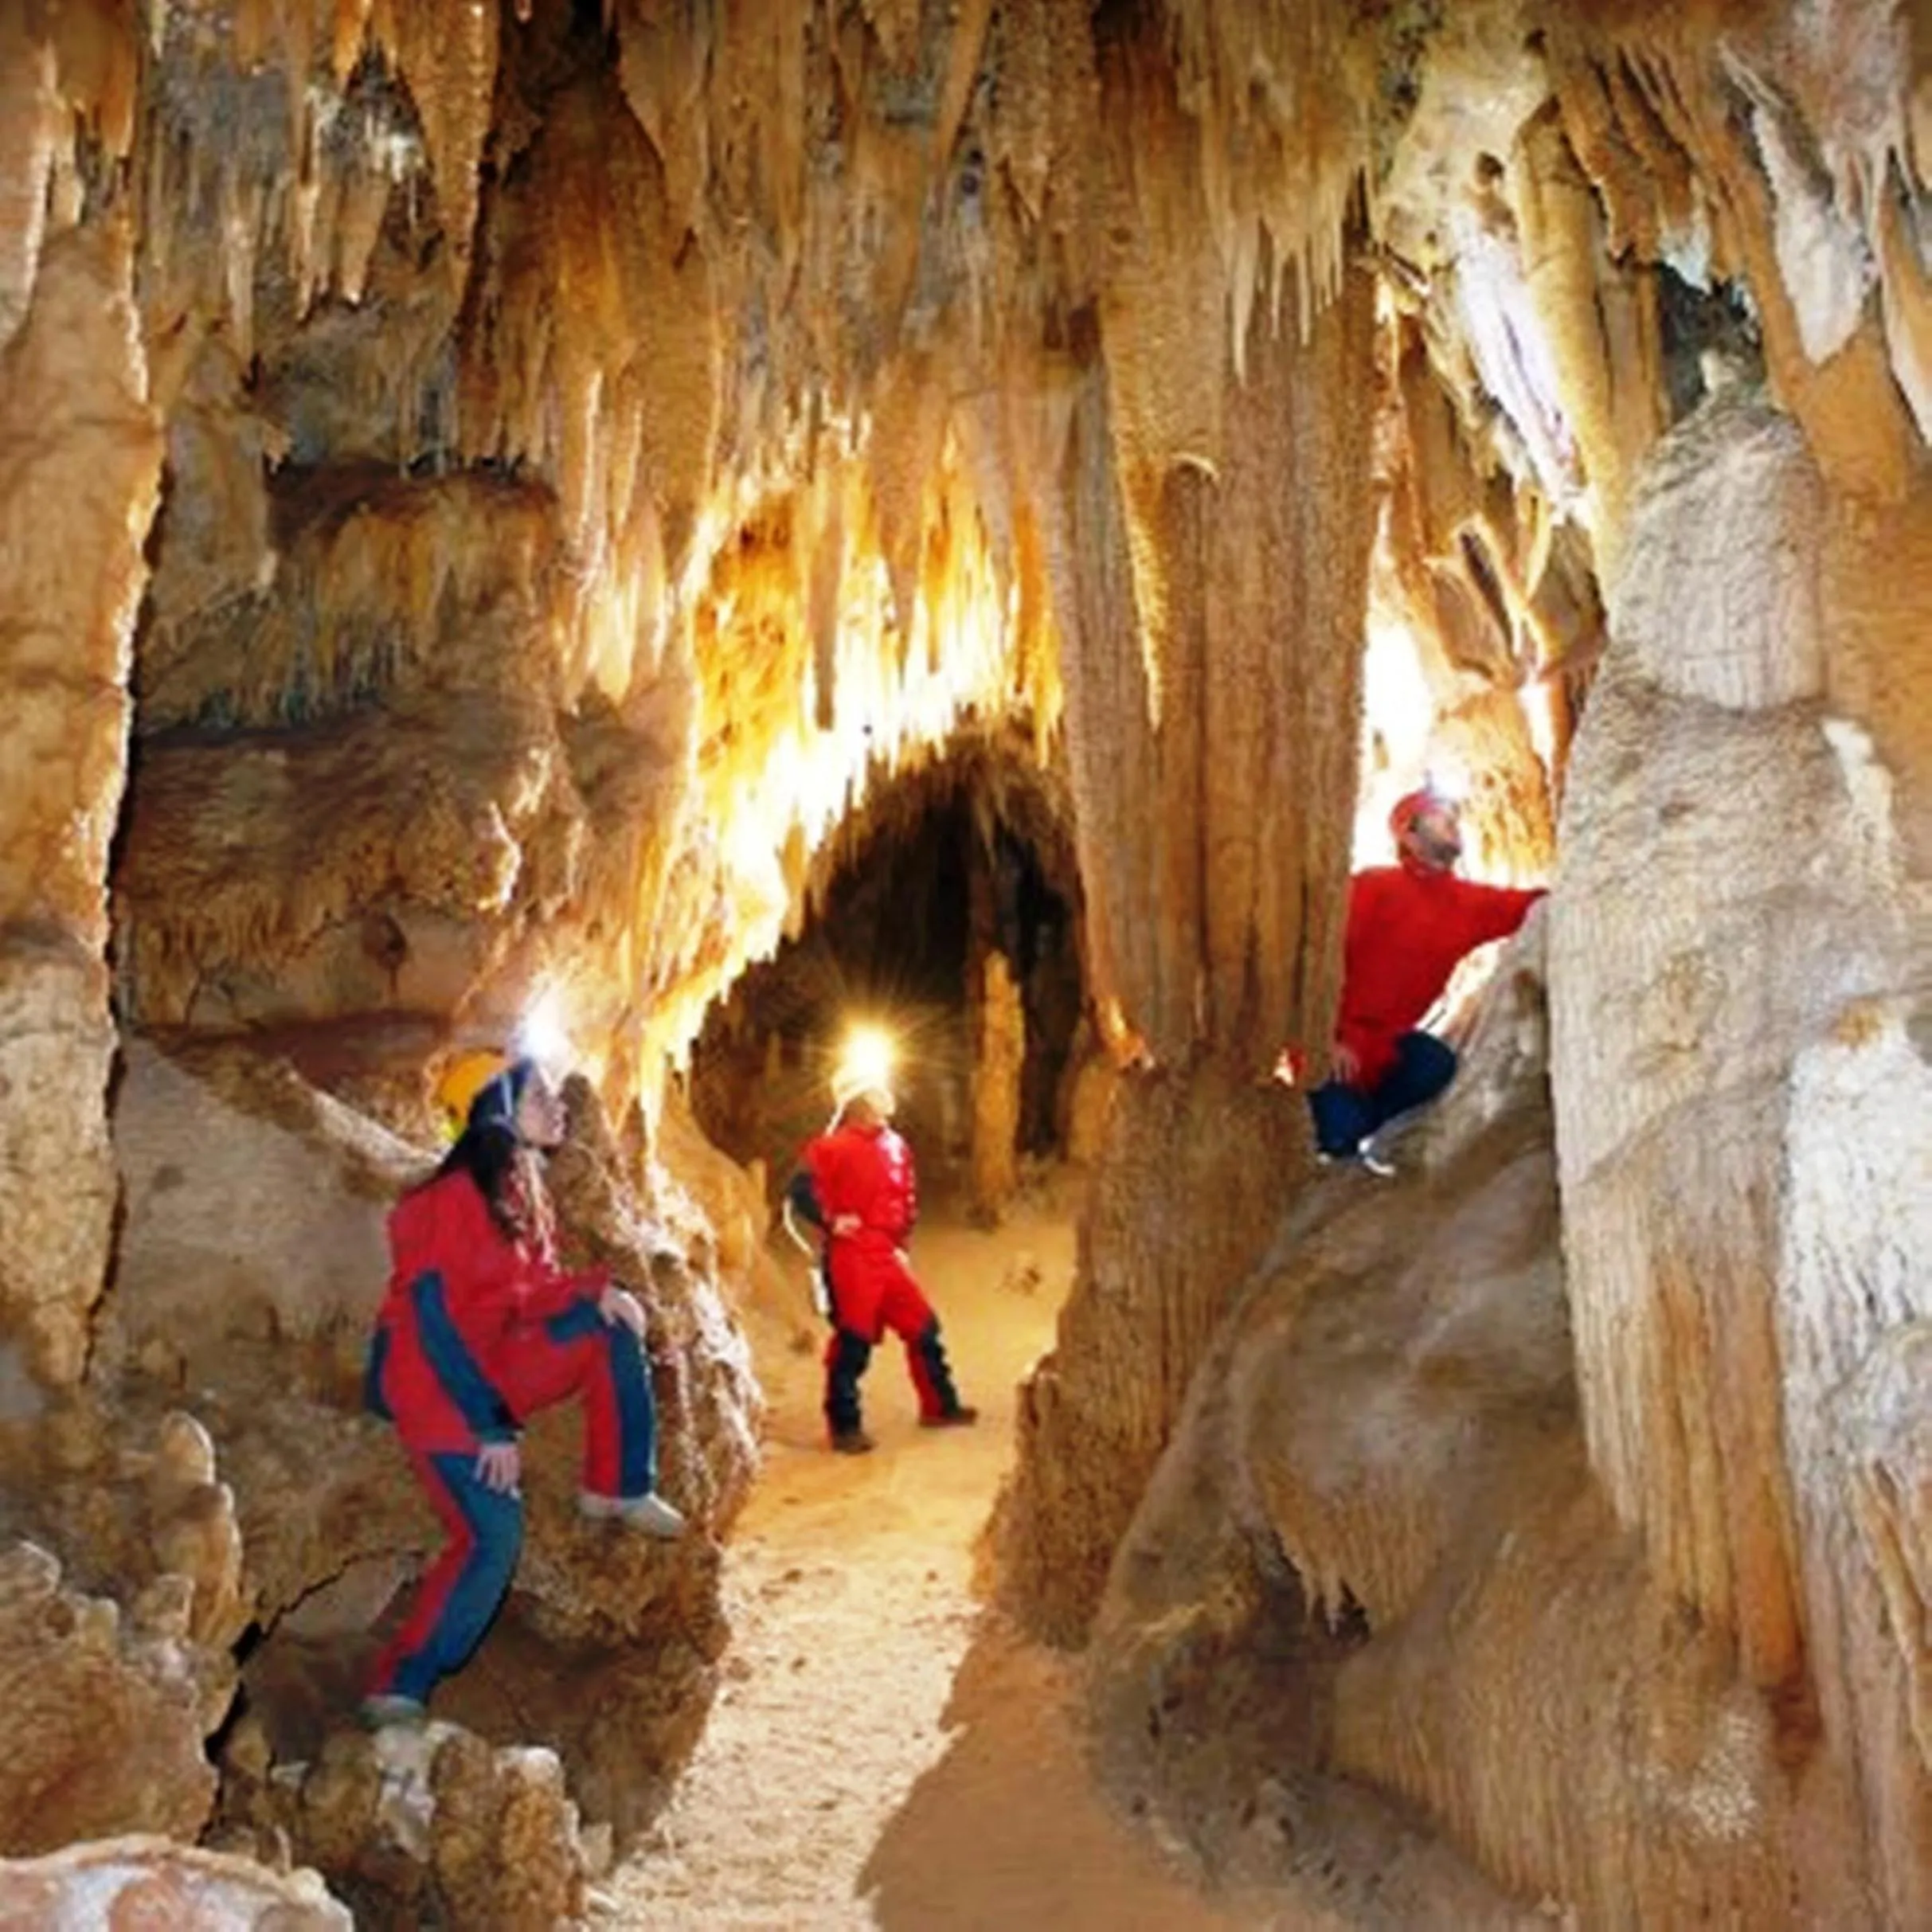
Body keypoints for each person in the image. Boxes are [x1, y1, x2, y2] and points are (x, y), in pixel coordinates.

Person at [359, 1049, 685, 1728]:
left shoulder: (519, 1193)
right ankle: (402, 1681)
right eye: (540, 1098)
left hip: (498, 1362)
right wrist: (490, 1424)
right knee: (491, 1536)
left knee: (608, 1328)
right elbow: (432, 1320)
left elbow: (530, 1292)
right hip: (439, 1387)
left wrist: (602, 1290)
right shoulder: (442, 1203)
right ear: (498, 1110)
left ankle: (618, 1486)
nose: (558, 1106)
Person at [1308, 786, 1544, 1169]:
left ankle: (1372, 1132)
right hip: (1332, 1044)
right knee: (1337, 1128)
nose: (1454, 822)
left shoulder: (1465, 903)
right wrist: (1324, 1037)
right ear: (1410, 834)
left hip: (1389, 1045)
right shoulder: (1373, 888)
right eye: (1439, 814)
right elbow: (1320, 960)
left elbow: (1524, 906)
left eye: (1454, 815)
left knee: (1436, 1064)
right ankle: (1335, 1138)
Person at [786, 1054, 976, 1454]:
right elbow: (800, 1192)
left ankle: (939, 1405)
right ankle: (845, 1425)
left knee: (923, 1327)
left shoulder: (896, 1145)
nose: (884, 1096)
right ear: (857, 1101)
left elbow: (905, 1197)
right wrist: (831, 1221)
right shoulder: (829, 1148)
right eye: (874, 1090)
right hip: (852, 1256)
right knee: (854, 1340)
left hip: (886, 1255)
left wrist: (901, 1243)